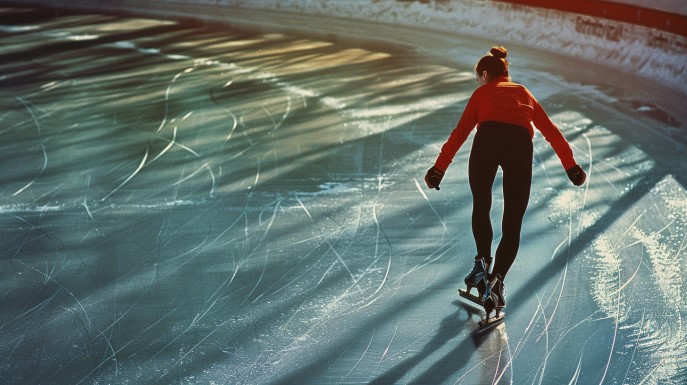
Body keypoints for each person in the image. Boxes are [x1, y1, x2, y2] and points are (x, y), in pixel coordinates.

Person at [424, 46, 586, 316]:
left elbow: (460, 132)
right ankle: (497, 280)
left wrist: (438, 170)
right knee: (512, 221)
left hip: (487, 141)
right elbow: (552, 132)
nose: (478, 82)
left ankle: (481, 266)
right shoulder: (524, 93)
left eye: (479, 77)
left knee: (482, 205)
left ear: (485, 74)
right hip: (519, 147)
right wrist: (572, 168)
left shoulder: (481, 94)